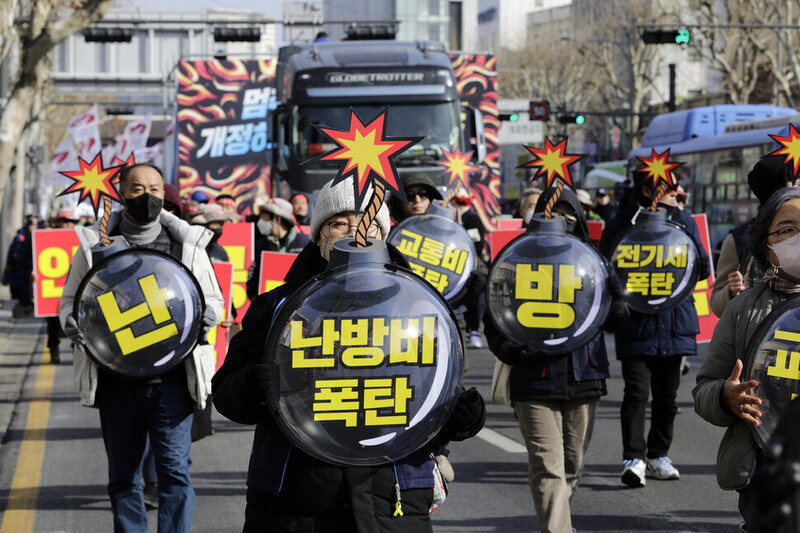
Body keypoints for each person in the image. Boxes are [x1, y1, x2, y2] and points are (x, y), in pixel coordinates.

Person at [212, 176, 486, 533]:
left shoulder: (419, 308)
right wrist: (251, 386)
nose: (355, 233)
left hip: (393, 496)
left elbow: (430, 397)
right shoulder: (278, 307)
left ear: (384, 234)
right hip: (296, 501)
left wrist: (456, 416)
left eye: (368, 223)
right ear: (319, 235)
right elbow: (226, 394)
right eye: (340, 223)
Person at [59, 162, 224, 532]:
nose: (146, 196)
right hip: (117, 380)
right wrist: (71, 322)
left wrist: (208, 314)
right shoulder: (94, 248)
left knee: (175, 474)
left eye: (154, 188)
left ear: (164, 194)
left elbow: (213, 299)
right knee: (123, 476)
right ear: (121, 192)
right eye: (137, 189)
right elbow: (70, 301)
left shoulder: (187, 245)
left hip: (173, 381)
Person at [484, 187, 628, 533]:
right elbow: (494, 319)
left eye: (568, 211)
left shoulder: (592, 259)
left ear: (578, 217)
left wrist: (616, 295)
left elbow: (613, 320)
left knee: (572, 465)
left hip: (585, 376)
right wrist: (517, 352)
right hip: (533, 380)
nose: (560, 218)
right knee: (548, 466)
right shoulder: (515, 257)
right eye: (553, 211)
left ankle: (557, 523)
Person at [693, 187, 800, 531]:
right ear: (767, 247)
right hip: (763, 467)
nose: (799, 239)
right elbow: (704, 388)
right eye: (787, 230)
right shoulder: (743, 310)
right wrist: (725, 396)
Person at [599, 173, 710, 488]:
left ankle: (659, 454)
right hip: (636, 322)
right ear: (647, 190)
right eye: (670, 192)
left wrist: (682, 226)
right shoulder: (622, 224)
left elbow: (700, 268)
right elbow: (606, 266)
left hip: (675, 322)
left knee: (668, 396)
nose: (677, 197)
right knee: (635, 394)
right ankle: (633, 459)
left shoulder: (683, 221)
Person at [710, 157, 794, 318]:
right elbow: (716, 304)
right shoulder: (739, 239)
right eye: (794, 185)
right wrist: (732, 291)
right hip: (757, 337)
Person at [246, 197, 310, 299]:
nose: (260, 222)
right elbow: (252, 278)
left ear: (277, 219)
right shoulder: (261, 245)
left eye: (264, 218)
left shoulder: (305, 243)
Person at [46, 209, 79, 363]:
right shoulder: (45, 238)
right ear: (57, 223)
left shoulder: (82, 238)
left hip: (75, 291)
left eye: (71, 221)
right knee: (53, 322)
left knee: (78, 320)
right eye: (64, 221)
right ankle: (53, 348)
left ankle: (76, 349)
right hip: (53, 292)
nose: (67, 224)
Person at [3, 214, 38, 314]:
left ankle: (26, 306)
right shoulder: (20, 237)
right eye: (32, 225)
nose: (34, 228)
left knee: (26, 291)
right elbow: (13, 254)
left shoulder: (33, 237)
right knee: (18, 291)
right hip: (19, 269)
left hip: (28, 269)